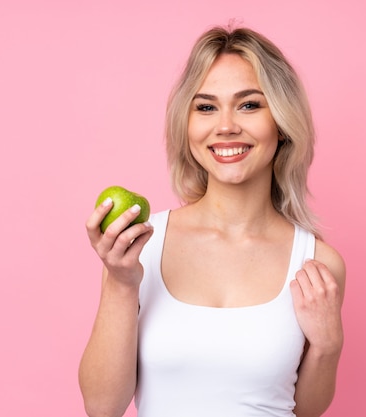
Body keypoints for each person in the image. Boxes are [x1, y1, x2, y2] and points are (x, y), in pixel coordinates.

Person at [79, 25, 346, 417]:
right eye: (205, 107)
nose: (225, 126)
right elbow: (102, 408)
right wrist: (121, 284)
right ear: (186, 126)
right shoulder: (139, 247)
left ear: (282, 123)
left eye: (249, 105)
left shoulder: (318, 263)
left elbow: (302, 411)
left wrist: (328, 346)